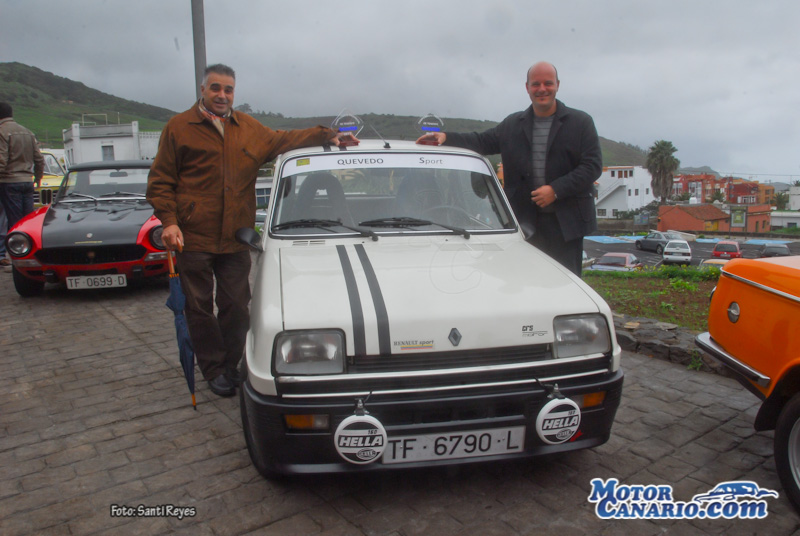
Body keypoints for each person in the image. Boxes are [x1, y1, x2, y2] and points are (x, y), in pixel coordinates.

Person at [147, 64, 356, 397]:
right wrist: (169, 221)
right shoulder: (179, 127)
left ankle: (233, 365)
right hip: (193, 236)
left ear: (234, 93)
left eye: (228, 89)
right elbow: (161, 180)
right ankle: (213, 369)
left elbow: (285, 139)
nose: (222, 95)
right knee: (198, 307)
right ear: (203, 90)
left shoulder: (248, 128)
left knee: (236, 305)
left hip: (235, 237)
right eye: (215, 88)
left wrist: (328, 135)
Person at [416, 62, 601, 276]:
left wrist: (556, 190)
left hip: (566, 226)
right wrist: (446, 137)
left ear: (557, 85)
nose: (542, 89)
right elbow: (482, 141)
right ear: (527, 87)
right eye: (536, 84)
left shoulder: (580, 123)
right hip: (524, 224)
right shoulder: (513, 124)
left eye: (548, 83)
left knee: (564, 284)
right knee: (525, 282)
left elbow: (592, 166)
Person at [0, 102, 44, 267]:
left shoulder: (2, 132)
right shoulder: (27, 132)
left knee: (13, 223)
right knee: (28, 222)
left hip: (9, 181)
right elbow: (39, 159)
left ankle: (13, 259)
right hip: (27, 181)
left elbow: (2, 160)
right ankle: (31, 256)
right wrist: (37, 178)